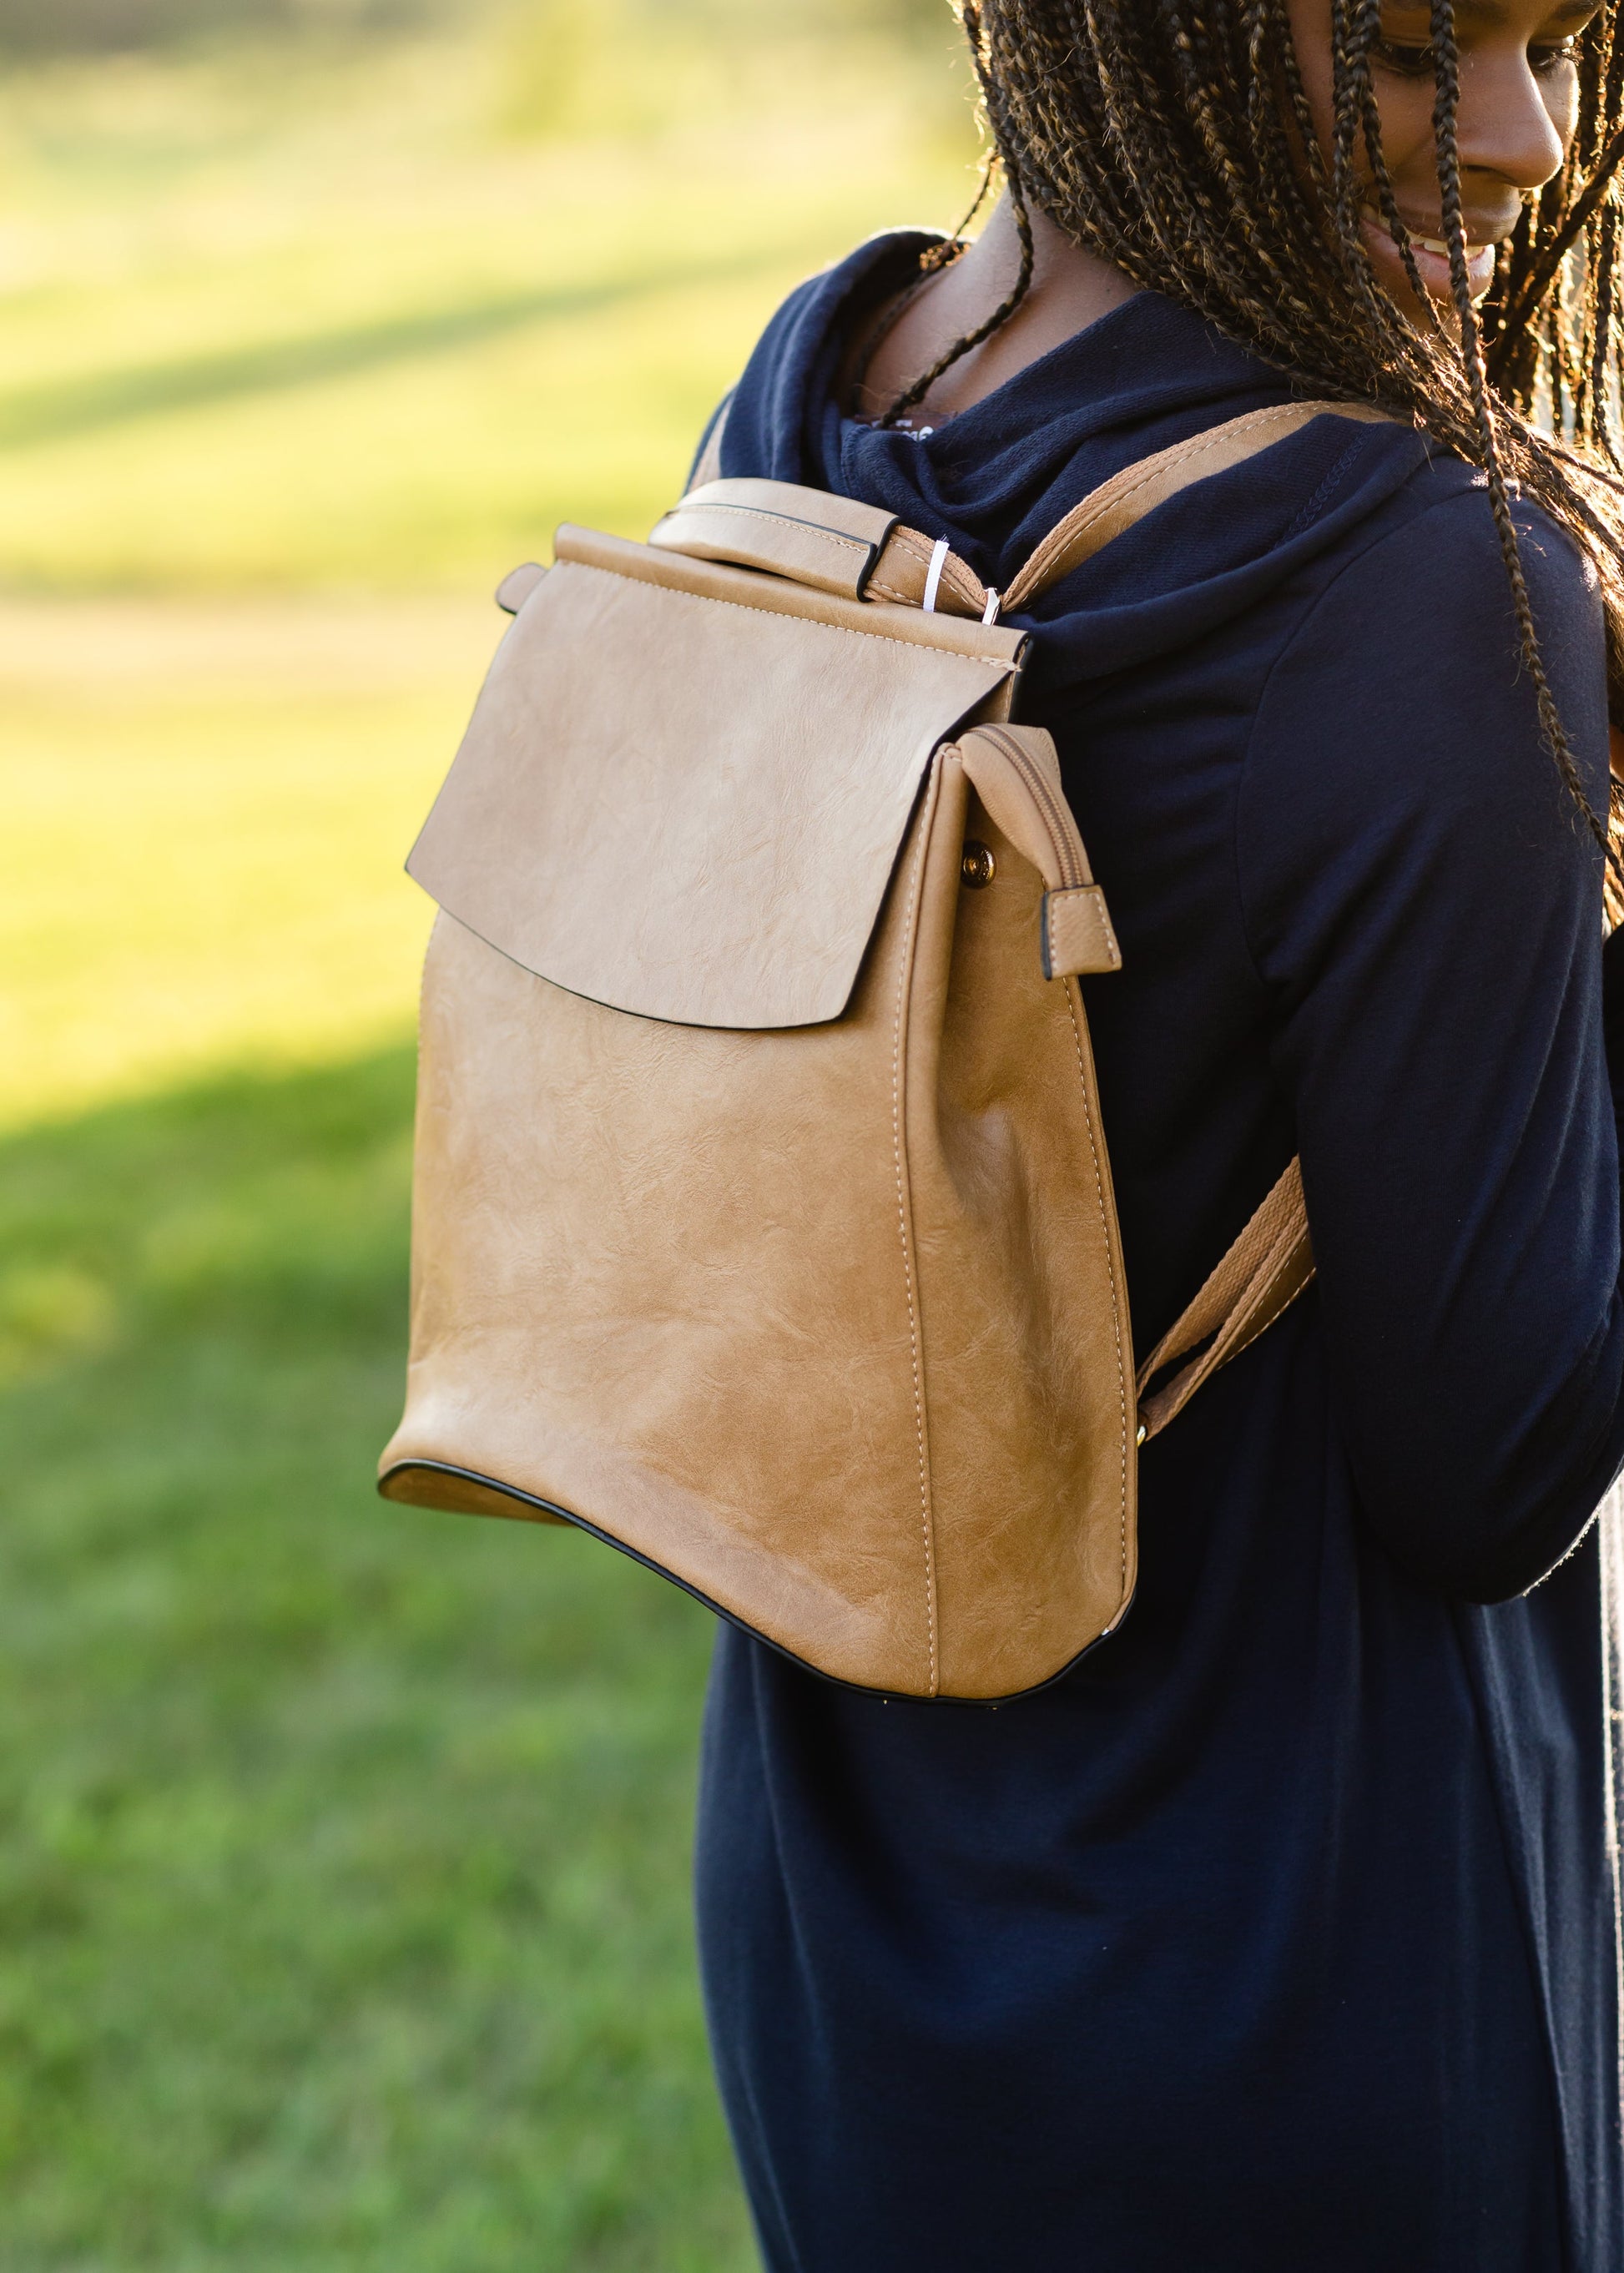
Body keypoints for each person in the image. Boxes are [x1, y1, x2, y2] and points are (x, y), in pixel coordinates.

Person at [691, 4, 1624, 2268]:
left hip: (861, 1885)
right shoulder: (1418, 572)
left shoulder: (833, 384)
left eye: (1563, 38)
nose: (1521, 137)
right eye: (1417, 52)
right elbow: (1490, 1461)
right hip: (1300, 1950)